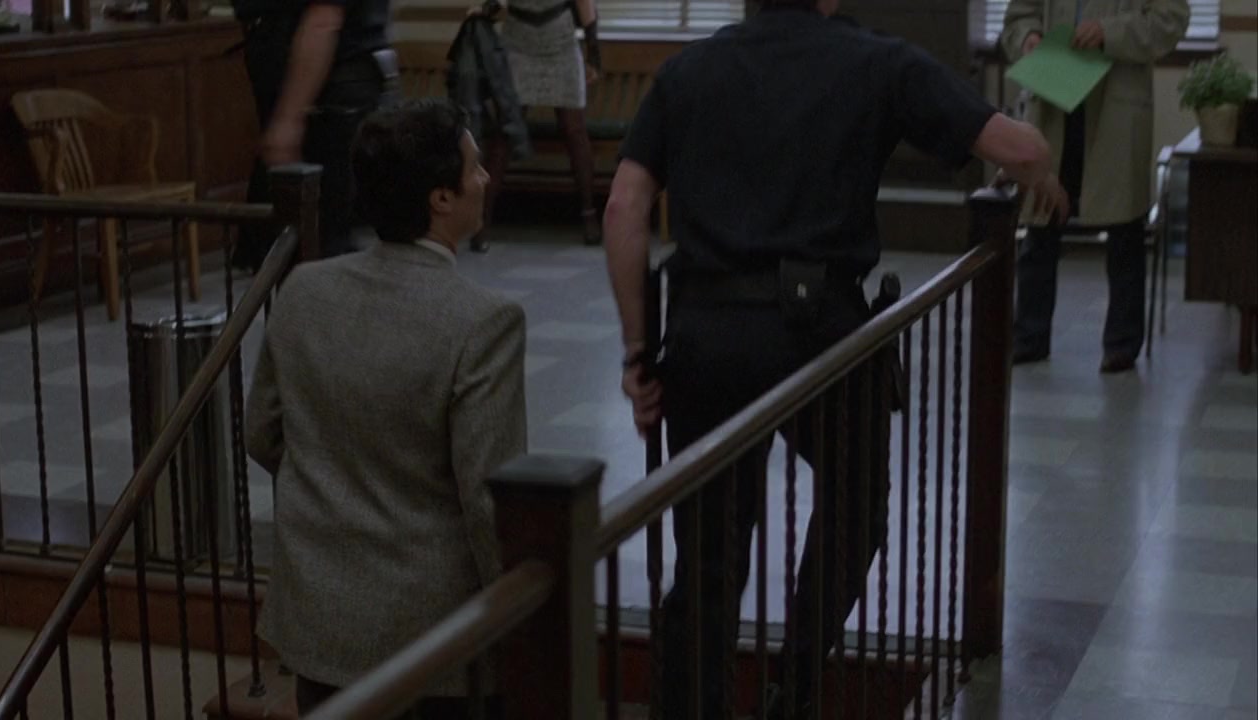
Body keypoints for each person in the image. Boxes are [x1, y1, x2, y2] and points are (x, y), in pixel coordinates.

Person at [602, 0, 1068, 717]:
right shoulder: (876, 60)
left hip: (707, 333)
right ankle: (796, 681)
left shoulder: (688, 70)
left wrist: (639, 352)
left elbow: (624, 208)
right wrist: (1042, 167)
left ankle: (694, 704)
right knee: (856, 504)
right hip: (821, 337)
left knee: (710, 550)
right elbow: (1020, 150)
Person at [245, 99, 526, 718]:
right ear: (441, 198)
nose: (485, 178)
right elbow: (488, 500)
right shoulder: (483, 322)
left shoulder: (304, 290)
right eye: (474, 167)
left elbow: (262, 433)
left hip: (319, 619)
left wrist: (334, 484)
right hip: (431, 637)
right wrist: (520, 610)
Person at [1003, 0, 1189, 373]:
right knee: (1040, 224)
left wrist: (1109, 32)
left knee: (1124, 228)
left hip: (1115, 104)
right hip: (1054, 97)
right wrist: (1028, 38)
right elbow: (1019, 15)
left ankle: (1121, 344)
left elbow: (1171, 19)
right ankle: (1029, 336)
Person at [232, 0, 398, 269]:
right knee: (307, 237)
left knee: (314, 240)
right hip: (330, 89)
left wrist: (289, 118)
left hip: (326, 101)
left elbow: (323, 21)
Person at [468, 0, 603, 252]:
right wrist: (486, 10)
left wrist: (593, 54)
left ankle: (589, 214)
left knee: (574, 131)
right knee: (505, 131)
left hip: (561, 43)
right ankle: (481, 221)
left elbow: (584, 4)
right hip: (518, 43)